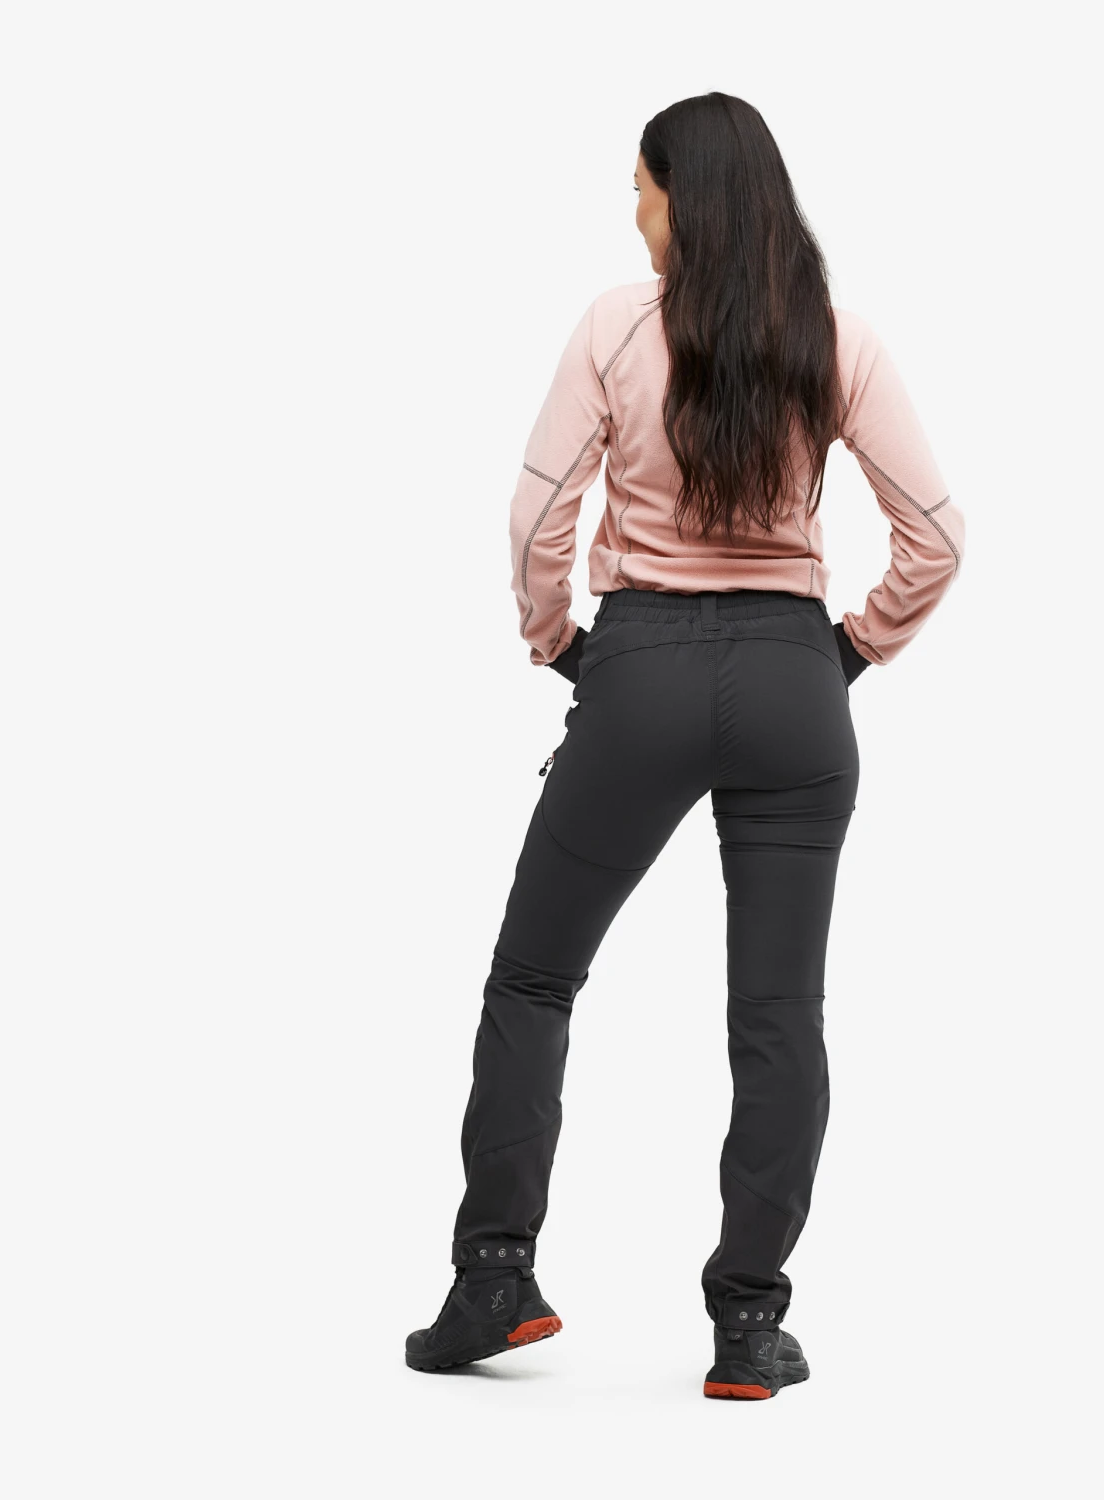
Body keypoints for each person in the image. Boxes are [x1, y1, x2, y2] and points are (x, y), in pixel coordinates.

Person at [404, 92, 965, 1400]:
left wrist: (556, 643)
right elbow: (938, 536)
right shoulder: (838, 339)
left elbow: (538, 515)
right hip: (792, 686)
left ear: (685, 198)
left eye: (642, 187)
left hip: (642, 671)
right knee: (779, 1016)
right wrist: (850, 651)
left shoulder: (616, 325)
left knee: (534, 979)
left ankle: (494, 1274)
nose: (634, 211)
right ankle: (748, 1327)